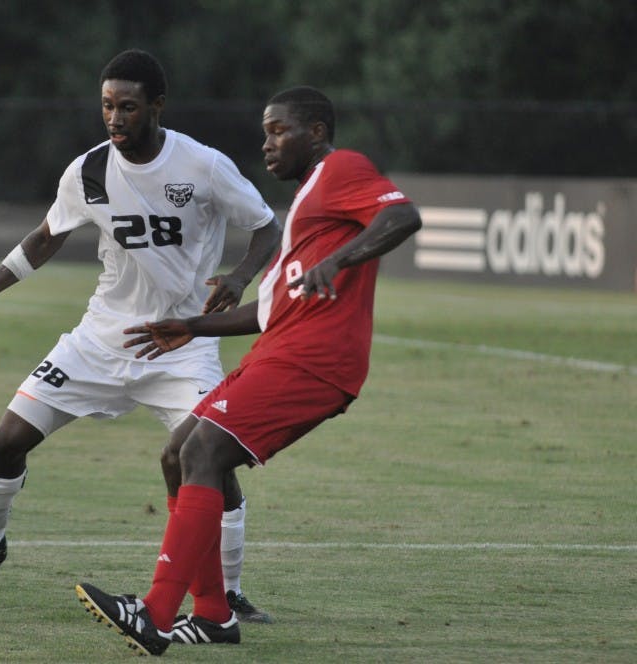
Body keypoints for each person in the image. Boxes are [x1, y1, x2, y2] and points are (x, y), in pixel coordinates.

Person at [0, 49, 281, 622]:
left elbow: (265, 225)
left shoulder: (202, 165)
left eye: (128, 107)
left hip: (181, 346)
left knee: (210, 462)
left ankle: (228, 593)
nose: (114, 118)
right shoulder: (87, 170)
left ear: (157, 106)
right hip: (99, 341)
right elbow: (44, 238)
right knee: (6, 441)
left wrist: (237, 277)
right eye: (107, 105)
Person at [75, 85, 423, 654]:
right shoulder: (306, 207)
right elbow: (268, 311)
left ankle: (156, 613)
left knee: (203, 453)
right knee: (178, 452)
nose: (266, 143)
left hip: (313, 361)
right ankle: (213, 614)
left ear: (315, 132)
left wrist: (340, 259)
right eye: (265, 131)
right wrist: (190, 326)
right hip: (279, 350)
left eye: (278, 130)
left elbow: (401, 216)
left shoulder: (341, 170)